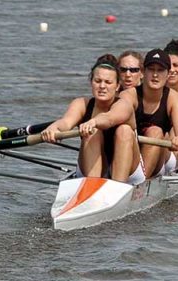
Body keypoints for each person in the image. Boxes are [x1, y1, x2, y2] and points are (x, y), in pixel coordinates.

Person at [40, 55, 145, 185]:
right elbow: (66, 122)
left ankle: (118, 187)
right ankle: (91, 188)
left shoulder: (124, 105)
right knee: (93, 132)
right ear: (91, 82)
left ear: (117, 86)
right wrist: (53, 128)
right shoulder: (81, 104)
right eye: (97, 81)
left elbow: (109, 119)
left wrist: (93, 122)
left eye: (108, 82)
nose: (102, 86)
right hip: (91, 167)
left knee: (124, 130)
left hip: (128, 172)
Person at [120, 48, 178, 177]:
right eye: (151, 69)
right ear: (143, 72)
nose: (155, 75)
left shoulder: (174, 100)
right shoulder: (128, 96)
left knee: (155, 131)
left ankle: (140, 186)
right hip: (132, 153)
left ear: (168, 74)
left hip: (162, 159)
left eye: (160, 70)